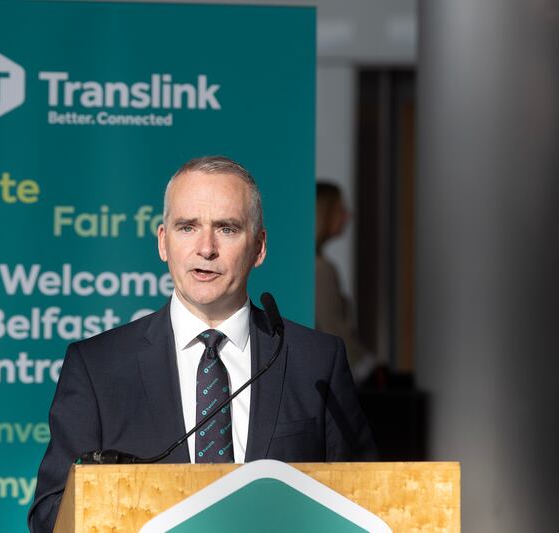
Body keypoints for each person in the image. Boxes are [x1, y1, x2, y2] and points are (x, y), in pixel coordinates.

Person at [28, 157, 376, 532]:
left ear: (259, 247)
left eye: (226, 229)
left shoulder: (315, 361)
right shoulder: (98, 366)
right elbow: (51, 514)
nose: (205, 248)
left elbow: (366, 501)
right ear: (164, 242)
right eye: (187, 227)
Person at [315, 181, 376, 383]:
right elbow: (334, 330)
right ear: (324, 213)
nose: (348, 217)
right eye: (340, 209)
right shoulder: (320, 268)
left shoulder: (317, 265)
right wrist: (370, 368)